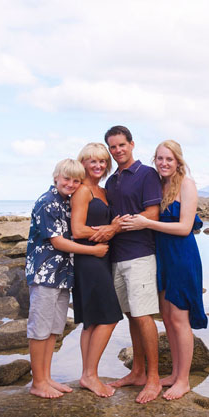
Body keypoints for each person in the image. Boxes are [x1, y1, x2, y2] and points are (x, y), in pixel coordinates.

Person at [121, 140, 206, 400]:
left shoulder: (186, 184)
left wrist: (147, 223)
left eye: (169, 159)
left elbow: (184, 227)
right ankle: (175, 374)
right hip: (162, 257)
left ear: (178, 161)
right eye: (159, 159)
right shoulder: (159, 185)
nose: (164, 163)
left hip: (181, 256)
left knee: (180, 320)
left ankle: (183, 380)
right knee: (167, 318)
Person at [88, 125, 162, 404]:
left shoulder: (147, 174)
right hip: (117, 257)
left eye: (122, 145)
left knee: (144, 316)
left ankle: (153, 379)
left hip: (141, 254)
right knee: (132, 315)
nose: (117, 150)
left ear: (132, 144)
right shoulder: (111, 182)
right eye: (113, 147)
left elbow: (151, 213)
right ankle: (138, 372)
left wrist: (112, 229)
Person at [25, 158, 108, 399]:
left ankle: (47, 377)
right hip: (44, 274)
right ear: (56, 177)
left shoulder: (65, 202)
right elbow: (58, 241)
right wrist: (94, 250)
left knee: (53, 330)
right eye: (66, 179)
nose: (71, 184)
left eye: (76, 181)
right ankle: (37, 382)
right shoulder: (47, 203)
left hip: (62, 275)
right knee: (39, 329)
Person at [70, 142, 123, 398]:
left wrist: (113, 228)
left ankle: (87, 375)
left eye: (102, 161)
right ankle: (90, 375)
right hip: (89, 260)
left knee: (91, 322)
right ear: (83, 163)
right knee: (109, 316)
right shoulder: (82, 191)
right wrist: (104, 233)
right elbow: (77, 230)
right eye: (93, 161)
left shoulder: (102, 190)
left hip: (102, 258)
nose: (98, 165)